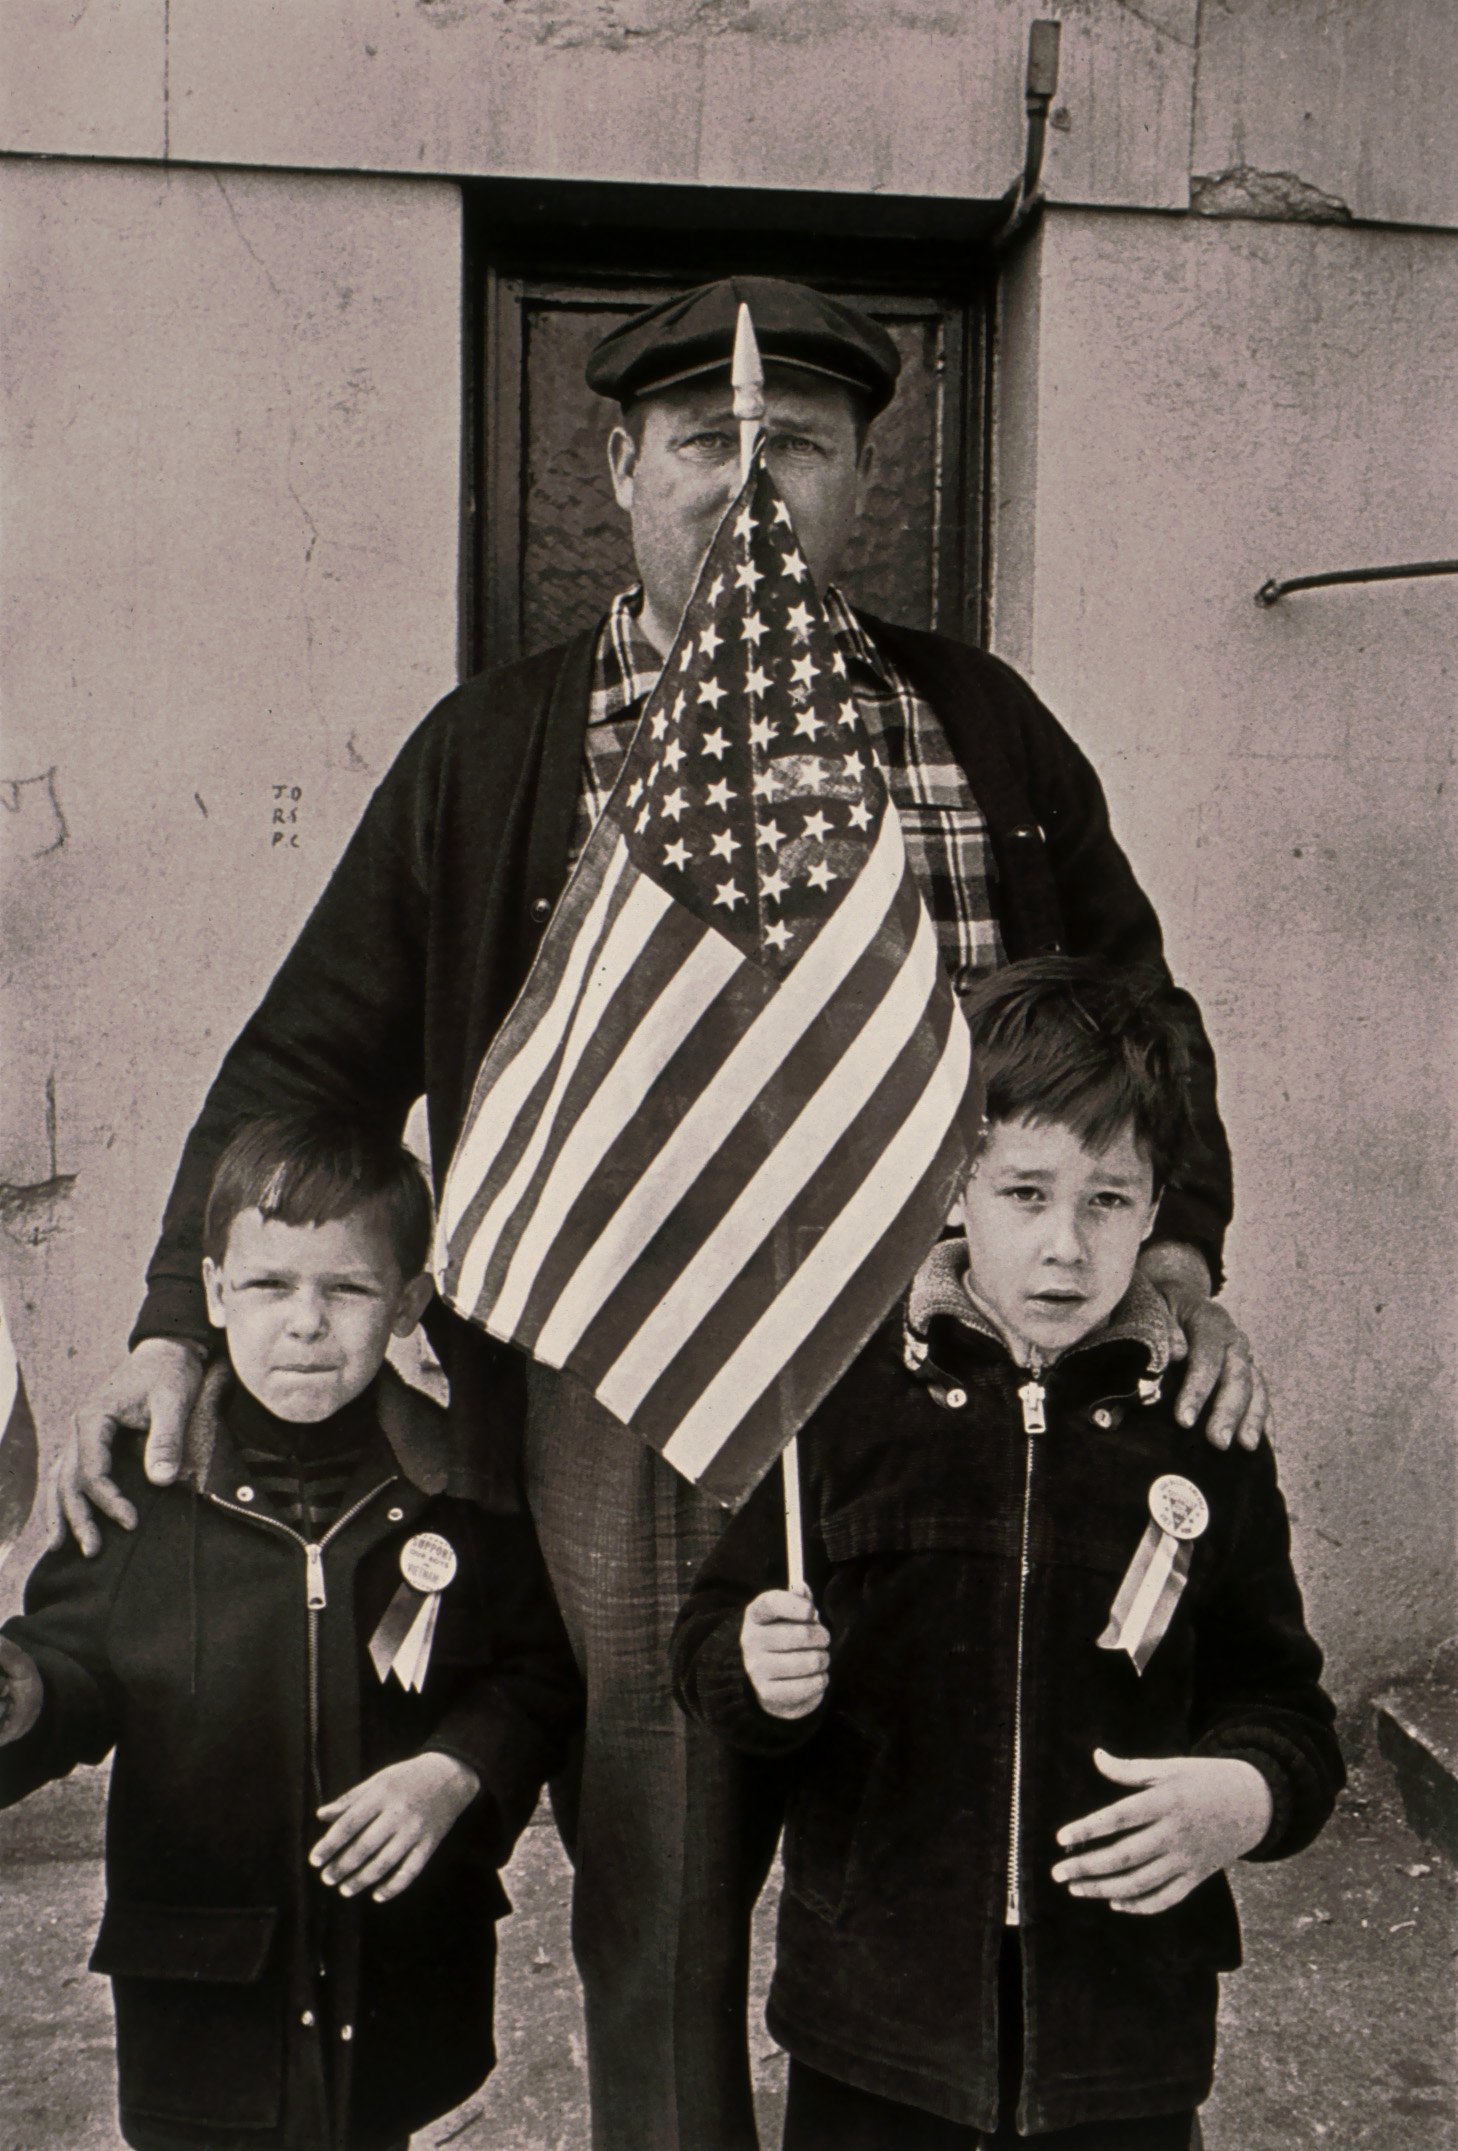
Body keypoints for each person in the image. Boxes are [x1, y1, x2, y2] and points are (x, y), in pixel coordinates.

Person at [54, 280, 1271, 2151]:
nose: (750, 479)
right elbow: (310, 1055)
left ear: (862, 481)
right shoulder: (493, 749)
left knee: (958, 1813)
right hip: (637, 1384)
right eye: (706, 439)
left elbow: (1135, 1013)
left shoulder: (983, 726)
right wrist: (167, 1320)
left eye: (798, 444)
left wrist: (1171, 1246)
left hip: (952, 1371)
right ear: (622, 467)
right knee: (666, 1870)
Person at [671, 956, 1342, 2150]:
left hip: (1119, 2037)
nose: (1065, 1248)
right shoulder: (837, 1405)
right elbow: (709, 1650)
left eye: (1108, 1200)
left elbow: (1283, 1704)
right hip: (873, 2017)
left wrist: (1246, 1797)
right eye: (1025, 1193)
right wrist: (750, 1669)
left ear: (1158, 1207)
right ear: (954, 1187)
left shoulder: (1204, 1434)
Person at [1, 1117, 582, 2151]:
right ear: (216, 1291)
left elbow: (538, 1672)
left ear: (407, 1302)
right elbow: (73, 1667)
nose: (306, 1324)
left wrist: (453, 1769)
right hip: (204, 2001)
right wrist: (19, 1693)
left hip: (400, 1981)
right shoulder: (142, 1491)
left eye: (348, 1289)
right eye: (270, 1286)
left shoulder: (458, 1488)